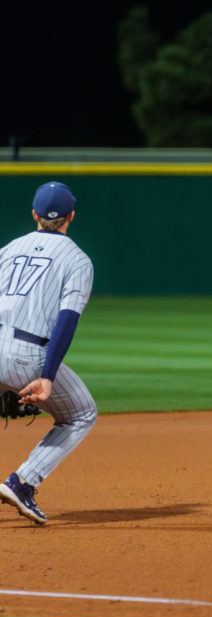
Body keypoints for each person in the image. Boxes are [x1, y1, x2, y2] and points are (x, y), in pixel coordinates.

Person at [0, 181, 98, 525]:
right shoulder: (78, 260)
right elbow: (67, 319)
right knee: (81, 414)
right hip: (27, 355)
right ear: (71, 216)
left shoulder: (9, 249)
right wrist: (47, 375)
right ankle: (22, 482)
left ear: (34, 214)